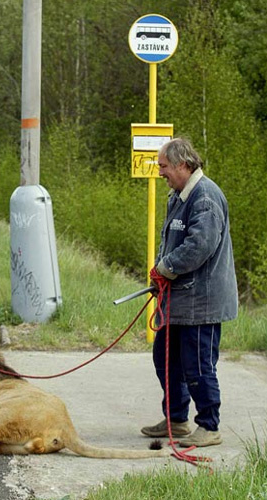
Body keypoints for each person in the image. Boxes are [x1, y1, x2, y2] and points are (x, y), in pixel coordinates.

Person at [141, 137, 238, 447]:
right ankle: (177, 419)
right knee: (165, 359)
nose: (160, 173)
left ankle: (209, 426)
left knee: (197, 365)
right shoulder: (178, 195)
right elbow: (170, 240)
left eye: (164, 167)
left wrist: (165, 267)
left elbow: (199, 246)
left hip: (202, 302)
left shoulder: (206, 197)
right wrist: (160, 271)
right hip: (179, 299)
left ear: (183, 164)